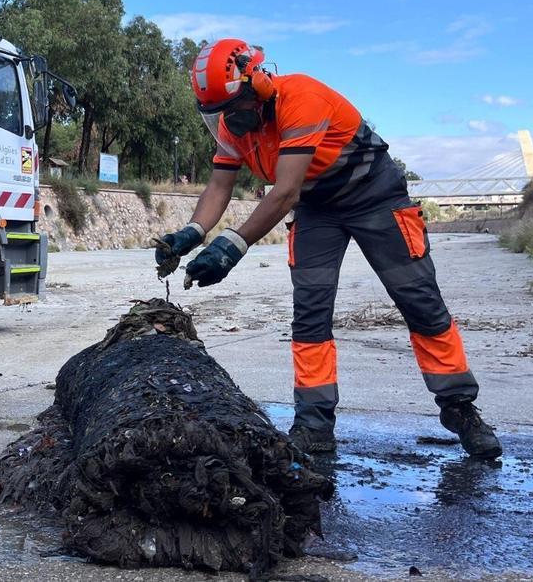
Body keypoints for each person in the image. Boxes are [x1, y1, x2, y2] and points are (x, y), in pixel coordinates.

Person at [155, 38, 501, 459]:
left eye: (231, 108)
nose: (226, 121)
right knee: (311, 312)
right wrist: (191, 232)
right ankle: (314, 424)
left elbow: (283, 192)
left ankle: (460, 409)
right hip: (317, 208)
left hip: (375, 197)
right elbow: (218, 185)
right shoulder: (233, 128)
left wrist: (231, 246)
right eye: (216, 115)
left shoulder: (301, 99)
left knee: (419, 300)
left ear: (258, 83)